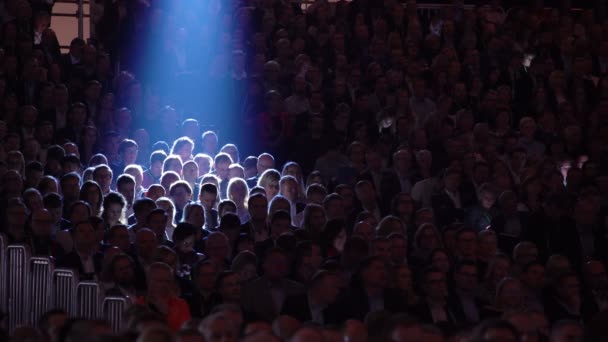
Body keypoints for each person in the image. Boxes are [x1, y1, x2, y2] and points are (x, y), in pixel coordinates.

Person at [135, 262, 191, 331]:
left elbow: (183, 332)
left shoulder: (181, 305)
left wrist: (166, 314)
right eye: (160, 281)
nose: (164, 285)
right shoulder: (138, 304)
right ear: (148, 281)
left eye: (168, 281)